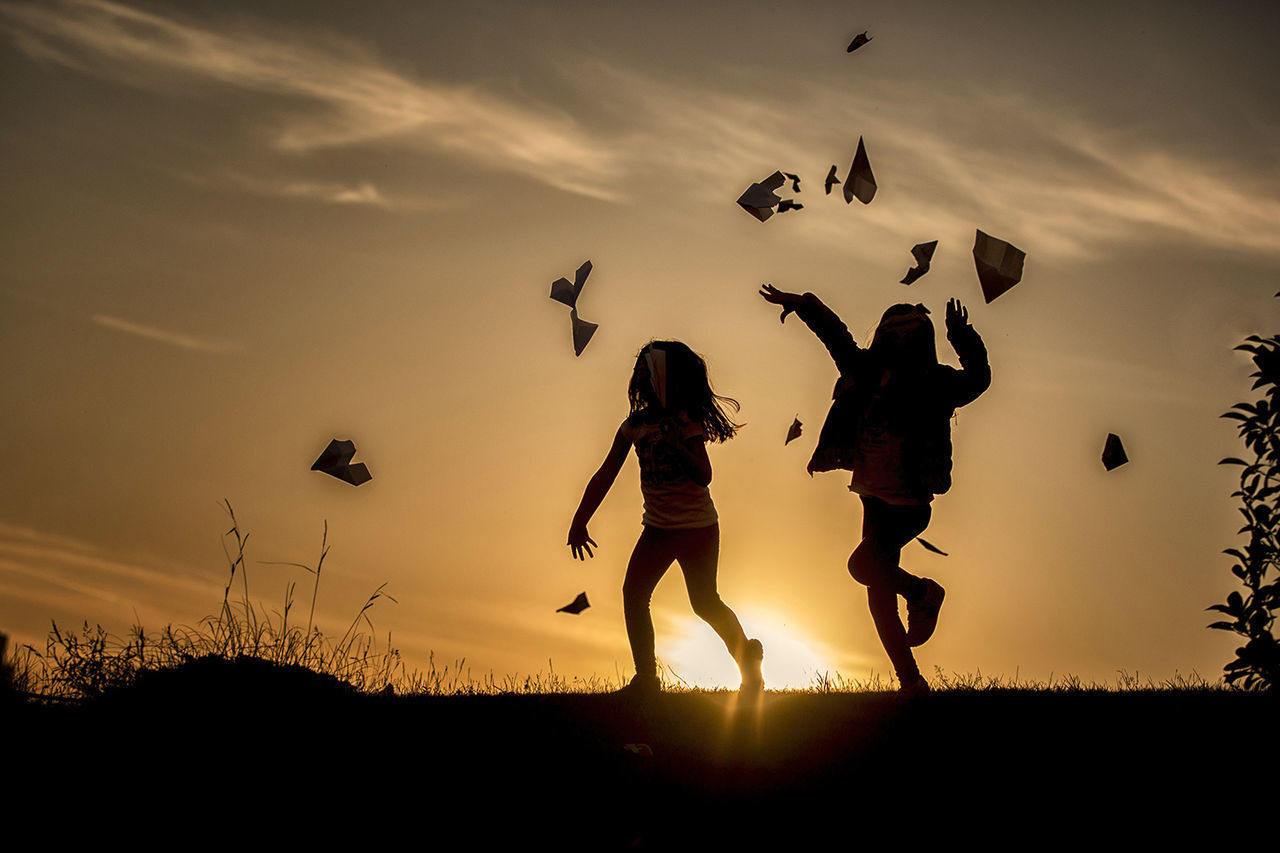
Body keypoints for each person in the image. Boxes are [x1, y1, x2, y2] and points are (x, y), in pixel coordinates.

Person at [759, 285, 990, 693]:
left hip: (909, 507)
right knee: (877, 594)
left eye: (907, 338)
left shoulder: (934, 383)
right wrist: (802, 305)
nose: (897, 344)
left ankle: (922, 590)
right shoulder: (864, 372)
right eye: (891, 336)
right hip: (873, 501)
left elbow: (978, 379)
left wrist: (963, 337)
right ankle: (911, 682)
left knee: (862, 568)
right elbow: (837, 336)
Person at [567, 341, 763, 696]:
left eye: (647, 367)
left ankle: (749, 668)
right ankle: (646, 679)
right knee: (634, 594)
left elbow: (704, 474)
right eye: (639, 368)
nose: (640, 374)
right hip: (657, 529)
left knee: (704, 602)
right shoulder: (634, 425)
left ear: (662, 376)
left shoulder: (685, 421)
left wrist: (676, 445)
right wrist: (580, 520)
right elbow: (606, 473)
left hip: (697, 529)